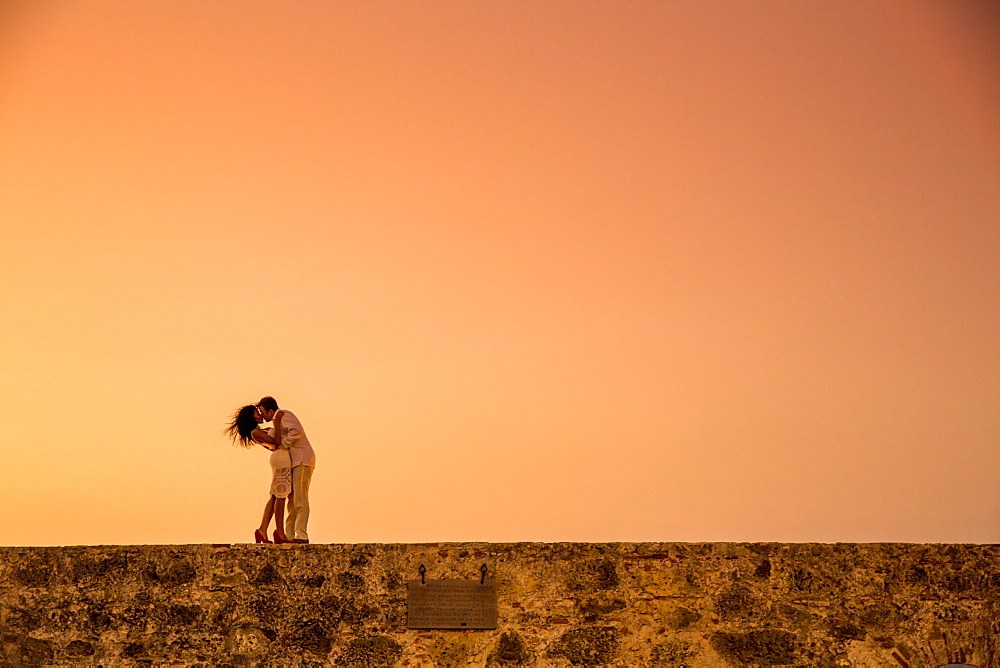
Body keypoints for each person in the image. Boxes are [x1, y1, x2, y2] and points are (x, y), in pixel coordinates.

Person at [226, 404, 293, 544]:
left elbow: (273, 445)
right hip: (281, 459)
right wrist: (278, 421)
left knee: (275, 496)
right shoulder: (255, 433)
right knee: (280, 495)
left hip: (279, 457)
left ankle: (262, 530)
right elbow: (277, 442)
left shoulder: (258, 431)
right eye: (257, 413)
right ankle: (279, 532)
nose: (260, 414)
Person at [256, 396, 316, 544]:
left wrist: (283, 444)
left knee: (300, 498)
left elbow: (296, 431)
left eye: (263, 412)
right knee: (292, 500)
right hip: (294, 460)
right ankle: (290, 536)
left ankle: (301, 535)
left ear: (271, 410)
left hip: (302, 458)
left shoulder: (284, 415)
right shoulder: (277, 422)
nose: (263, 415)